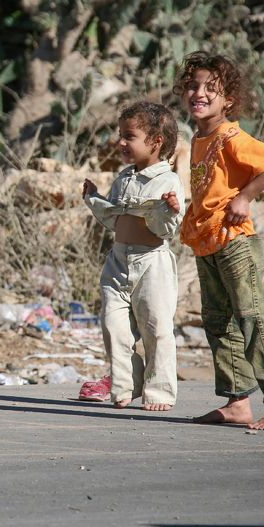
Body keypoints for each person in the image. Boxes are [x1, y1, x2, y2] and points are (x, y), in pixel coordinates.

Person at [175, 50, 264, 430]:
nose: (199, 93)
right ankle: (237, 402)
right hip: (208, 241)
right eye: (193, 86)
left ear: (228, 99)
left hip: (234, 242)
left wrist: (245, 198)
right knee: (219, 321)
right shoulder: (200, 137)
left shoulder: (231, 135)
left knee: (252, 317)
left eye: (210, 89)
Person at [82, 102, 183, 411]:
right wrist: (93, 199)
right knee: (114, 327)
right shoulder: (124, 178)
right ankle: (126, 385)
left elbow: (166, 227)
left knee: (157, 330)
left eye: (129, 136)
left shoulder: (168, 181)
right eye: (120, 135)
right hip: (118, 261)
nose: (121, 143)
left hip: (151, 263)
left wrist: (172, 209)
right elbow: (114, 217)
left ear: (156, 142)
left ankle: (160, 392)